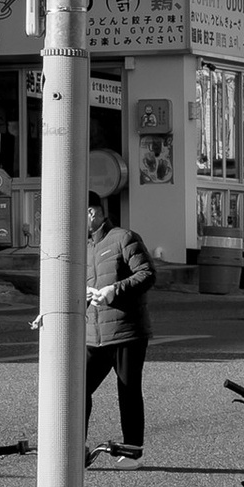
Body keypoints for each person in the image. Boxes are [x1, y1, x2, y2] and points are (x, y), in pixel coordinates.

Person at [83, 188, 156, 459]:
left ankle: (132, 452)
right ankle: (76, 447)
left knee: (127, 391)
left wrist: (114, 290)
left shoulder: (123, 238)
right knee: (78, 390)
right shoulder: (85, 245)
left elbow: (147, 274)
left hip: (127, 332)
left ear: (92, 213)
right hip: (94, 334)